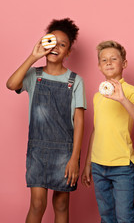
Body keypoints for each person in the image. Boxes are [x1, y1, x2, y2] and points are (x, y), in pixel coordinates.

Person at [6, 18, 86, 223]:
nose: (56, 47)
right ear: (44, 43)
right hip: (38, 150)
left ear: (68, 52)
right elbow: (11, 84)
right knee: (37, 204)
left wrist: (74, 159)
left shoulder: (74, 81)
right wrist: (33, 57)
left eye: (63, 44)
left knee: (61, 204)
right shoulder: (35, 75)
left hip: (65, 152)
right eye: (52, 42)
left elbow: (79, 122)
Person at [81, 40, 134, 223]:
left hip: (122, 166)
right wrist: (88, 164)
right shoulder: (97, 96)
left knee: (125, 216)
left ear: (124, 64)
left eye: (113, 59)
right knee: (106, 216)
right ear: (99, 66)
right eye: (104, 60)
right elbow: (96, 130)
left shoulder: (130, 91)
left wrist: (122, 99)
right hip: (98, 166)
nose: (108, 62)